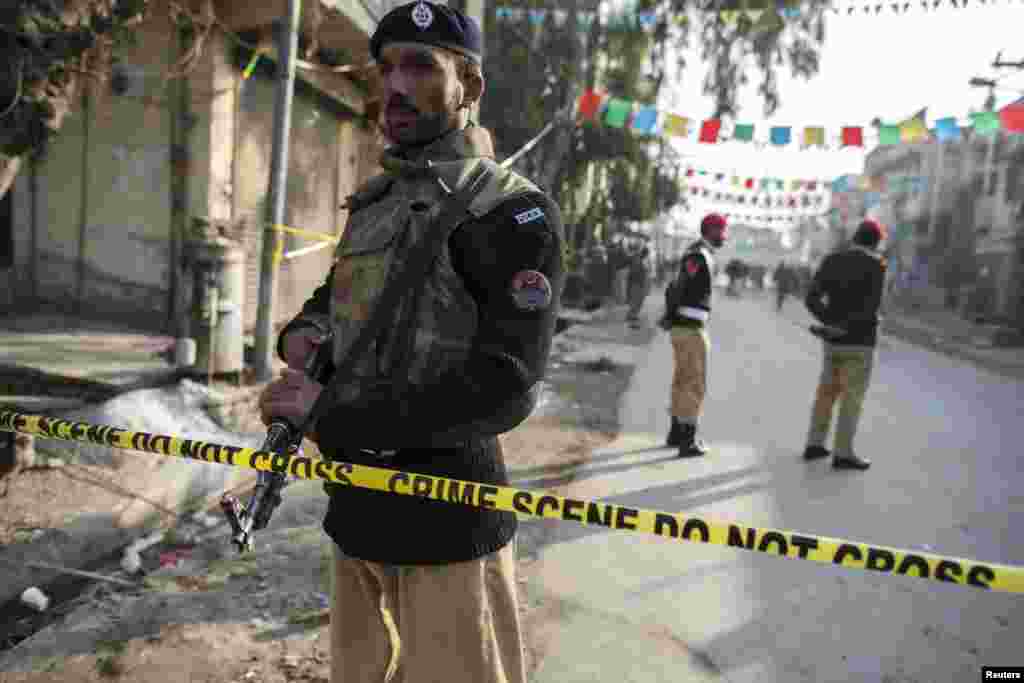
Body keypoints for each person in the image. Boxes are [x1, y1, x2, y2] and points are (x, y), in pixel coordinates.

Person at [258, 3, 564, 681]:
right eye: (387, 66)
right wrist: (304, 338)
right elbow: (332, 301)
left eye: (421, 66)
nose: (395, 85)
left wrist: (328, 413)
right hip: (356, 513)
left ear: (469, 86)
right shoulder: (377, 201)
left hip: (449, 526)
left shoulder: (513, 212)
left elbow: (506, 386)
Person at [801, 219, 888, 470]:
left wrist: (829, 322)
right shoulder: (877, 264)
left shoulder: (832, 260)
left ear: (855, 237)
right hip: (860, 342)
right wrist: (847, 326)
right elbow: (871, 307)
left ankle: (814, 444)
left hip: (832, 341)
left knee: (826, 393)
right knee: (852, 398)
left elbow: (811, 298)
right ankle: (843, 453)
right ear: (876, 243)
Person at [661, 213, 728, 457]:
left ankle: (676, 432)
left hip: (685, 326)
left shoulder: (697, 253)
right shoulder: (699, 255)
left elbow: (679, 286)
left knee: (682, 380)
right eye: (722, 231)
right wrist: (670, 315)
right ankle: (687, 440)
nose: (724, 236)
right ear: (711, 230)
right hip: (689, 328)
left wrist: (670, 316)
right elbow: (680, 287)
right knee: (694, 383)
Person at [626, 246, 651, 324]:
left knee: (638, 300)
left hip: (638, 283)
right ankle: (632, 315)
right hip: (637, 283)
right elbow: (635, 272)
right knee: (636, 300)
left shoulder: (639, 260)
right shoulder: (637, 260)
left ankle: (633, 314)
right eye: (647, 254)